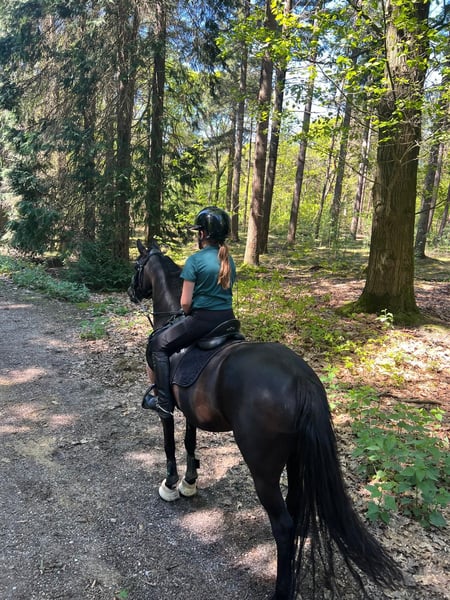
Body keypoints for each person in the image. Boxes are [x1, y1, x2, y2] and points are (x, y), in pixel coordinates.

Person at [143, 206, 237, 418]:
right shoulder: (228, 260)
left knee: (157, 344)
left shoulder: (195, 260)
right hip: (228, 320)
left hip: (202, 321)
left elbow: (185, 303)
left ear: (202, 234)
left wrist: (190, 308)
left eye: (198, 232)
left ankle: (163, 402)